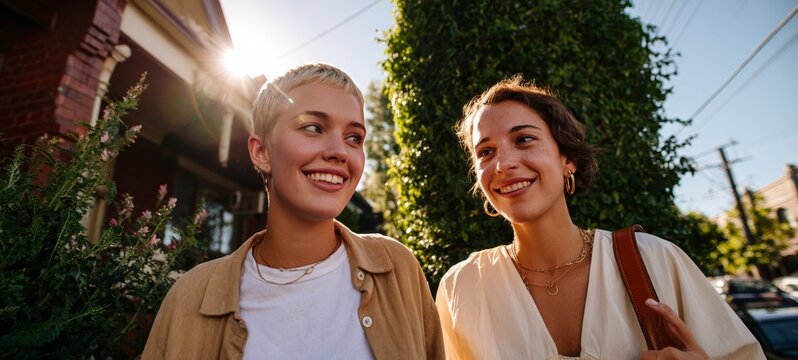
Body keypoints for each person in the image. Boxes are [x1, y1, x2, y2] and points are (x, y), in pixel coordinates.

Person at [436, 76, 764, 360]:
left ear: (568, 160)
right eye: (485, 152)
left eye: (524, 139)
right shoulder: (462, 288)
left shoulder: (655, 260)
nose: (502, 163)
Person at [143, 63, 444, 359]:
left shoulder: (397, 268)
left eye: (354, 137)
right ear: (261, 152)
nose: (340, 151)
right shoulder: (189, 298)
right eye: (313, 127)